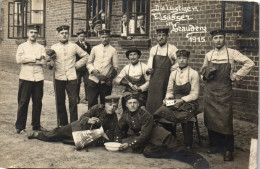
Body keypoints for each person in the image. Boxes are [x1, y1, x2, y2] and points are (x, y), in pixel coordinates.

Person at [114, 93, 209, 169]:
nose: (132, 105)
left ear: (138, 104)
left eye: (134, 102)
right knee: (148, 152)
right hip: (148, 141)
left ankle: (200, 161)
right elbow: (118, 128)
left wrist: (129, 144)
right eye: (130, 103)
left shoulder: (144, 114)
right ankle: (173, 154)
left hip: (160, 136)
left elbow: (144, 135)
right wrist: (117, 143)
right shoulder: (125, 115)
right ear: (126, 105)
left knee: (178, 148)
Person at [201, 29, 255, 161]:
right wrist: (206, 72)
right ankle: (214, 146)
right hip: (210, 91)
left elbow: (250, 63)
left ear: (224, 39)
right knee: (211, 118)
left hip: (224, 92)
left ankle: (228, 150)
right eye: (215, 38)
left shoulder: (232, 53)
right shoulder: (209, 55)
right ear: (212, 40)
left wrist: (237, 75)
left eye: (220, 37)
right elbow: (203, 72)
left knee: (225, 121)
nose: (218, 40)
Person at [27, 95, 120, 146]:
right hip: (78, 127)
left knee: (63, 139)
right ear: (106, 104)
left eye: (115, 106)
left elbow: (111, 134)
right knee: (58, 133)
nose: (112, 108)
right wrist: (89, 120)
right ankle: (38, 134)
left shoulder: (114, 118)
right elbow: (83, 117)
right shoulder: (97, 108)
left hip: (87, 137)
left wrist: (100, 130)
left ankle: (51, 133)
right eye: (110, 105)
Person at [154, 50, 200, 149]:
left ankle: (188, 144)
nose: (182, 60)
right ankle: (171, 139)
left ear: (188, 59)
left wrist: (182, 100)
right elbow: (169, 90)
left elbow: (195, 94)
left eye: (184, 58)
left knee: (187, 117)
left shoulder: (193, 73)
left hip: (189, 102)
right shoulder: (173, 74)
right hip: (175, 100)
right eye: (179, 58)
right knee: (162, 111)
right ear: (177, 60)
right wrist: (167, 98)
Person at [50, 25, 89, 127]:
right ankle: (63, 125)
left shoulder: (74, 46)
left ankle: (73, 125)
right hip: (59, 77)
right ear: (57, 35)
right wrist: (51, 62)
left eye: (66, 33)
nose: (64, 35)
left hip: (72, 77)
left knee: (73, 102)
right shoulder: (54, 47)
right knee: (60, 101)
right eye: (62, 33)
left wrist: (77, 65)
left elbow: (86, 56)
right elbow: (49, 61)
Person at [15, 24, 46, 133]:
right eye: (31, 32)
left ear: (38, 34)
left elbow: (43, 61)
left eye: (35, 32)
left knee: (38, 102)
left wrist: (28, 60)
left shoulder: (41, 47)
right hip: (26, 77)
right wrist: (35, 58)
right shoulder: (22, 46)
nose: (33, 34)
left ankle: (36, 125)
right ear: (27, 34)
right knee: (23, 101)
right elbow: (19, 60)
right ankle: (20, 126)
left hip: (38, 77)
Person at [146, 28, 178, 114]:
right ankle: (152, 119)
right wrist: (149, 69)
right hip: (154, 78)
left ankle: (166, 121)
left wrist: (173, 67)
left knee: (166, 98)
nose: (161, 37)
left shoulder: (172, 49)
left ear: (167, 37)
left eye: (163, 35)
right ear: (157, 37)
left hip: (166, 78)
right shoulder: (153, 49)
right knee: (153, 100)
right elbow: (150, 61)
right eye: (159, 35)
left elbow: (179, 62)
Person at [87, 29, 118, 109]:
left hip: (105, 82)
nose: (104, 39)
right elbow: (89, 63)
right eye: (103, 37)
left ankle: (103, 120)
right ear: (100, 37)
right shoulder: (95, 48)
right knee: (92, 103)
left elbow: (115, 67)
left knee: (105, 103)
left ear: (109, 38)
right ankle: (91, 120)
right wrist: (93, 70)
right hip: (93, 79)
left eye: (106, 37)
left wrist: (108, 78)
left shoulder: (113, 50)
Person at [75, 29, 91, 103]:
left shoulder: (87, 45)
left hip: (86, 67)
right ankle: (76, 97)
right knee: (77, 82)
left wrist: (86, 47)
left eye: (83, 36)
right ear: (78, 37)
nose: (82, 37)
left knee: (87, 82)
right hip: (78, 67)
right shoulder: (75, 45)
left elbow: (89, 55)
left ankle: (87, 97)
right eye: (81, 36)